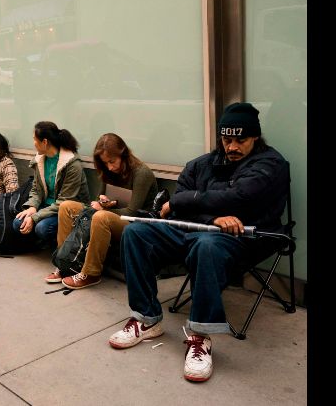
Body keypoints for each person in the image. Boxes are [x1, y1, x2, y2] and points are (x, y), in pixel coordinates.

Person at [108, 102, 289, 383]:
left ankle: (200, 337)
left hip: (246, 237)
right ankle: (146, 318)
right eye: (226, 139)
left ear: (255, 136)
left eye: (241, 140)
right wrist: (212, 217)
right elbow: (179, 211)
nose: (232, 147)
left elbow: (241, 198)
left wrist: (185, 201)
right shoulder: (200, 165)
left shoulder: (271, 164)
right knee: (136, 233)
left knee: (206, 244)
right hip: (198, 229)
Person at [44, 133, 158, 289]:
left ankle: (91, 273)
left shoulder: (141, 173)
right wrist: (103, 202)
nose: (110, 167)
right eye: (105, 163)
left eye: (112, 161)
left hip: (135, 224)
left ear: (123, 154)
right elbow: (99, 200)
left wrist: (104, 208)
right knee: (66, 207)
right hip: (112, 214)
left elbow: (132, 212)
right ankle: (64, 263)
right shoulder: (108, 171)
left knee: (100, 216)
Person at [13, 121, 89, 246]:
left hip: (65, 211)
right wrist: (32, 207)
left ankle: (59, 245)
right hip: (46, 206)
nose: (33, 143)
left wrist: (35, 217)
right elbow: (36, 189)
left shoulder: (72, 165)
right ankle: (37, 243)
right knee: (17, 223)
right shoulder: (40, 160)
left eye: (35, 139)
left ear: (45, 142)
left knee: (42, 228)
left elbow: (64, 202)